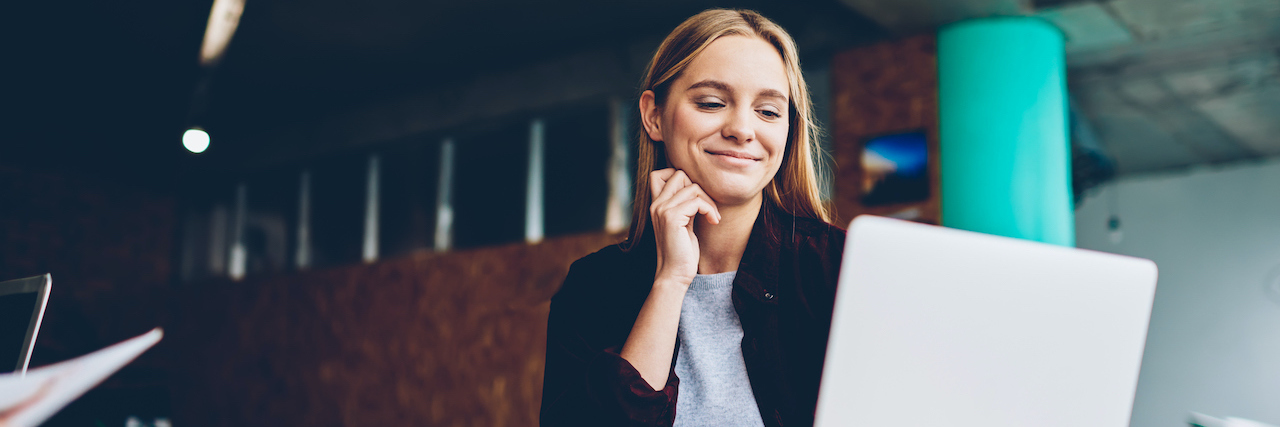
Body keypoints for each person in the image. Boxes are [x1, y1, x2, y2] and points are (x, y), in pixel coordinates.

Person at [540, 8, 845, 427]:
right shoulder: (593, 289)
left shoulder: (841, 269)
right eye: (712, 102)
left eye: (769, 111)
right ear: (653, 116)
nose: (742, 128)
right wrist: (670, 280)